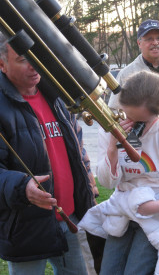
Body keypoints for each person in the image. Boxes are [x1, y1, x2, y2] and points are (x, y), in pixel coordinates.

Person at [0, 31, 103, 275]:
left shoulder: (56, 94)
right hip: (25, 228)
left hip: (71, 219)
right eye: (23, 59)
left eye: (35, 56)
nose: (33, 65)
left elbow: (76, 145)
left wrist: (89, 181)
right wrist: (21, 186)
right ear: (2, 64)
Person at [79, 71, 159, 275]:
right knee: (108, 270)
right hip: (124, 209)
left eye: (142, 121)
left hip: (156, 215)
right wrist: (112, 149)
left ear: (157, 115)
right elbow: (108, 183)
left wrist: (158, 205)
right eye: (128, 117)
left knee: (136, 270)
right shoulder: (110, 128)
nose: (134, 128)